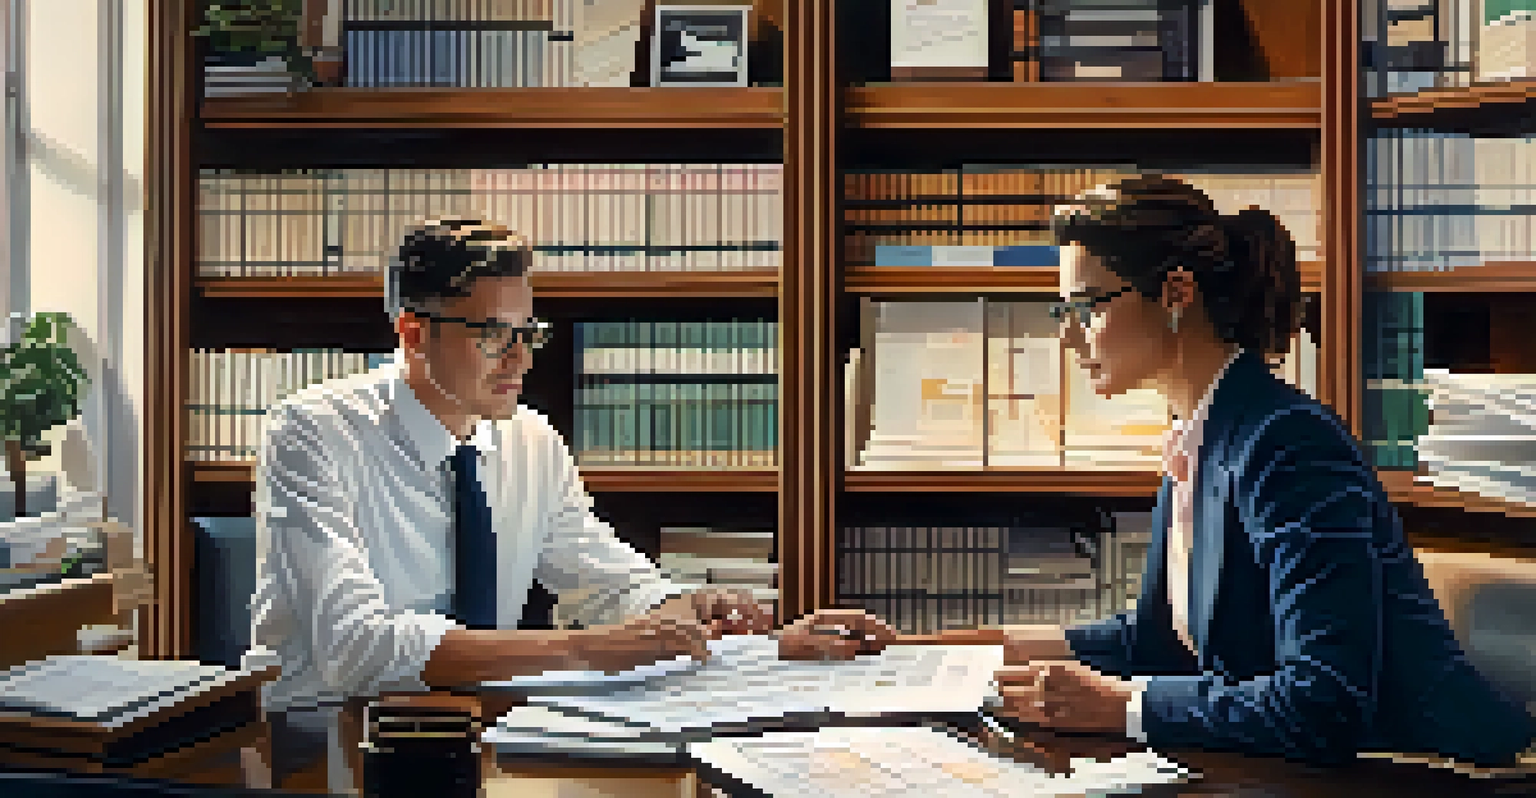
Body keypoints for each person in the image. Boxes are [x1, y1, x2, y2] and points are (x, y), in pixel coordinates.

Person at [812, 175, 1536, 768]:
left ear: (1176, 293)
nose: (1070, 338)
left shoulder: (1287, 442)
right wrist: (919, 649)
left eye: (1087, 307)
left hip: (1429, 773)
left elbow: (1325, 702)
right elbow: (1154, 640)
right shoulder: (1199, 431)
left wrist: (1122, 706)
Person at [241, 218, 858, 791]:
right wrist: (590, 648)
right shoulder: (312, 433)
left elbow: (608, 584)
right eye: (493, 335)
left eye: (528, 334)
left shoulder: (530, 440)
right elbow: (355, 648)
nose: (521, 359)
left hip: (480, 733)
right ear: (414, 332)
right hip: (321, 747)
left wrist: (710, 620)